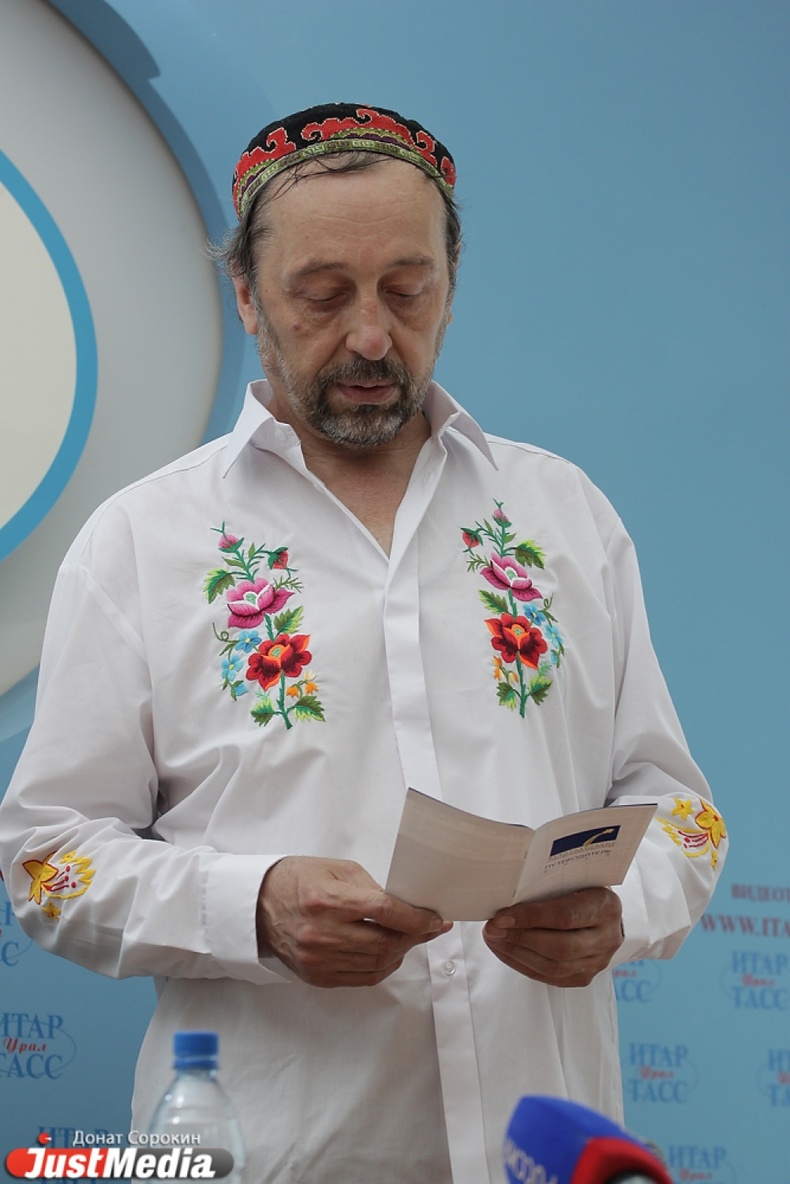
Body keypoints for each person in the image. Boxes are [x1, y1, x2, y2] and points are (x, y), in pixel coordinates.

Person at [0, 103, 727, 1184]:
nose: (374, 336)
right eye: (323, 294)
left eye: (407, 287)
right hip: (275, 1156)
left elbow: (685, 813)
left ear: (452, 281)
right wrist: (251, 906)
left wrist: (624, 907)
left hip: (546, 1149)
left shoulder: (564, 514)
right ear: (247, 294)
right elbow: (46, 861)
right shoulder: (141, 541)